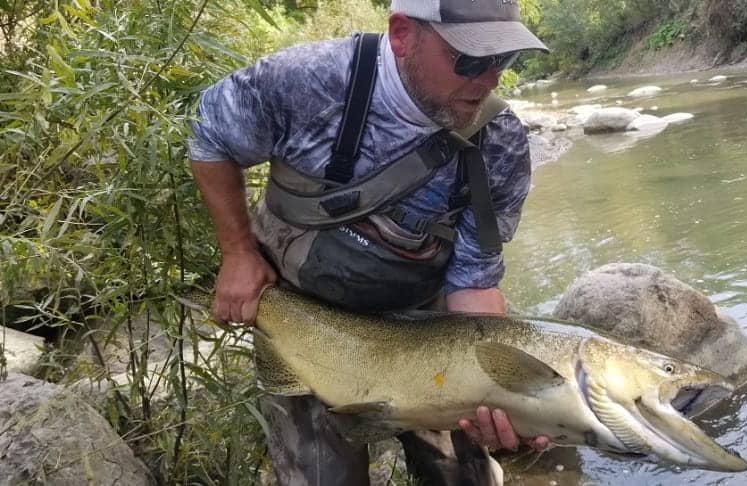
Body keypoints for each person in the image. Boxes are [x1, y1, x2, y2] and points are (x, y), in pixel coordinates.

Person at [188, 1, 550, 484]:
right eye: (469, 59)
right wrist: (237, 253)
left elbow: (474, 283)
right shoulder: (307, 81)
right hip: (303, 320)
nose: (489, 80)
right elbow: (211, 133)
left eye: (501, 59)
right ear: (402, 34)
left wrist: (498, 393)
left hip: (425, 335)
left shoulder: (499, 143)